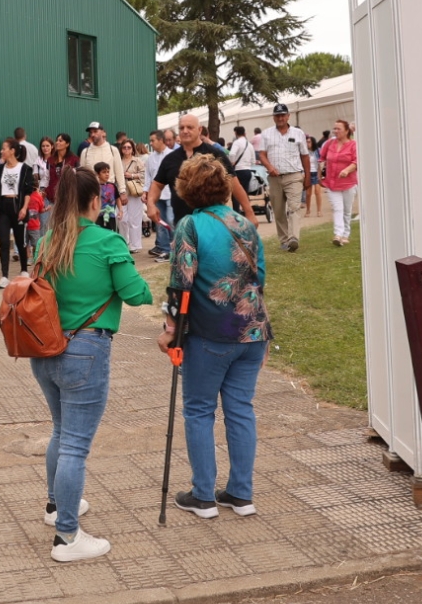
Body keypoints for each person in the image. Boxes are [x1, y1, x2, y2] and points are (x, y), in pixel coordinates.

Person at [30, 167, 154, 562]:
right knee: (75, 445)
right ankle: (67, 537)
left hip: (44, 350)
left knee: (61, 431)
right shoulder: (107, 241)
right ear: (95, 201)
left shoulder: (46, 242)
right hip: (85, 350)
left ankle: (56, 507)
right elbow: (136, 294)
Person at [159, 154, 272, 521]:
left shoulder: (189, 225)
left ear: (186, 190)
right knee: (240, 409)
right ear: (224, 187)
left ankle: (203, 495)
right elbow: (260, 278)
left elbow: (181, 283)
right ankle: (241, 493)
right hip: (252, 331)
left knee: (199, 410)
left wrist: (170, 330)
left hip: (210, 333)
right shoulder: (246, 224)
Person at [150, 115, 255, 232]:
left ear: (199, 130)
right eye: (182, 128)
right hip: (183, 227)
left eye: (190, 127)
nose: (185, 131)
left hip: (213, 225)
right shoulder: (170, 160)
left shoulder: (215, 155)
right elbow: (157, 184)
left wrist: (249, 212)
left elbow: (235, 184)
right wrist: (151, 204)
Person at [256, 104, 310, 252]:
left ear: (288, 116)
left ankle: (293, 238)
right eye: (277, 115)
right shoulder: (266, 134)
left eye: (283, 115)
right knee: (279, 211)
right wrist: (270, 167)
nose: (280, 118)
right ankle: (284, 240)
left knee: (294, 207)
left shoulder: (298, 133)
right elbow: (262, 155)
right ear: (273, 117)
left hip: (294, 175)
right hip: (274, 178)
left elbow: (305, 156)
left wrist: (307, 176)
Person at [0, 139, 38, 288]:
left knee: (20, 241)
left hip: (17, 207)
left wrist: (24, 208)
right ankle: (4, 276)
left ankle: (24, 270)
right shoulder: (0, 168)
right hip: (3, 208)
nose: (1, 151)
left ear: (12, 151)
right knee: (4, 242)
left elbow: (28, 191)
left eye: (4, 148)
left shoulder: (24, 168)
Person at [323, 120, 358, 246]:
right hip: (332, 183)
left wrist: (347, 170)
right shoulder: (329, 143)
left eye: (338, 129)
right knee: (337, 208)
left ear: (346, 131)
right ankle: (338, 235)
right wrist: (320, 173)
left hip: (348, 183)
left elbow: (356, 162)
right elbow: (321, 158)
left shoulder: (353, 145)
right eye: (335, 128)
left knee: (346, 210)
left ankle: (345, 235)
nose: (335, 131)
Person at [144, 131, 173, 260]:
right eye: (150, 140)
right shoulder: (150, 158)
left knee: (172, 221)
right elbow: (148, 176)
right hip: (157, 195)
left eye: (153, 140)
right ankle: (165, 249)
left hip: (171, 194)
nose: (151, 143)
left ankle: (175, 248)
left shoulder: (172, 155)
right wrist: (145, 192)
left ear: (161, 140)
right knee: (160, 222)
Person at [117, 139, 146, 254]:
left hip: (134, 193)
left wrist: (132, 175)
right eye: (124, 147)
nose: (126, 149)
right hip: (121, 193)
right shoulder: (118, 161)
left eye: (129, 147)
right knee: (122, 219)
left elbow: (144, 175)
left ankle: (135, 245)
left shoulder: (137, 161)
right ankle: (124, 243)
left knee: (135, 220)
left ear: (133, 149)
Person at [226, 127, 255, 216]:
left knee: (236, 194)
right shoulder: (249, 144)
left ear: (235, 133)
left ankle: (237, 213)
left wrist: (232, 162)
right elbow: (253, 160)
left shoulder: (237, 143)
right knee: (244, 193)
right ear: (245, 133)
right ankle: (247, 213)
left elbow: (232, 154)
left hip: (238, 170)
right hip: (248, 170)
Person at [45, 134, 76, 205]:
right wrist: (44, 190)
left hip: (68, 198)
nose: (57, 142)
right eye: (57, 140)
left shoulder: (74, 160)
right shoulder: (50, 160)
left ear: (67, 144)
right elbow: (46, 178)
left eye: (60, 141)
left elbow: (77, 179)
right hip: (51, 197)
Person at [92, 163, 120, 232]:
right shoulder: (94, 187)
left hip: (111, 215)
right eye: (104, 172)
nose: (107, 174)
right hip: (98, 215)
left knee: (111, 233)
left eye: (108, 172)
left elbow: (117, 198)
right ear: (97, 174)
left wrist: (121, 210)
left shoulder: (112, 186)